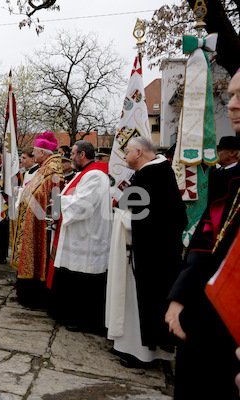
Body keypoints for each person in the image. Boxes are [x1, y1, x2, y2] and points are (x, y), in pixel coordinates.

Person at [165, 69, 240, 400]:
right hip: (204, 314)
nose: (233, 106)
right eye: (231, 96)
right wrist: (179, 295)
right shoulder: (226, 182)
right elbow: (207, 235)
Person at [107, 137, 187, 368]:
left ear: (139, 152)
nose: (124, 156)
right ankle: (138, 348)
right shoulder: (160, 170)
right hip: (157, 251)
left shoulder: (150, 175)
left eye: (128, 152)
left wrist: (121, 216)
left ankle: (142, 353)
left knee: (144, 301)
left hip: (151, 254)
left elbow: (142, 217)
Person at [49, 140, 111, 334]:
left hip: (88, 237)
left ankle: (84, 319)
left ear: (82, 155)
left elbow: (83, 204)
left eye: (73, 154)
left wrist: (59, 201)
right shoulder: (84, 173)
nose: (71, 157)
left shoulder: (96, 175)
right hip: (77, 234)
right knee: (71, 273)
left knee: (83, 277)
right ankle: (68, 313)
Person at [11, 132, 63, 309]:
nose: (33, 155)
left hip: (40, 222)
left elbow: (52, 195)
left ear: (42, 153)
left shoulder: (52, 169)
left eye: (34, 151)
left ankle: (34, 295)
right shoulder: (44, 166)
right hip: (32, 220)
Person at [14, 146, 39, 210]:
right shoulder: (26, 173)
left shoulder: (39, 172)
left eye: (24, 158)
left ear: (32, 159)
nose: (21, 160)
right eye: (21, 158)